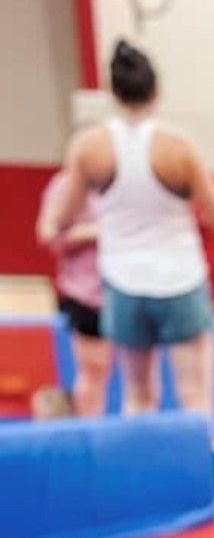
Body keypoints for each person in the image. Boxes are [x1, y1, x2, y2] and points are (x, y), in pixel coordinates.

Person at [38, 40, 214, 418]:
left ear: (113, 91)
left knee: (137, 397)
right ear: (157, 90)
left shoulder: (89, 148)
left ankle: (138, 476)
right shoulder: (178, 148)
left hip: (124, 282)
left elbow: (54, 225)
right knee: (196, 397)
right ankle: (198, 477)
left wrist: (97, 227)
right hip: (179, 279)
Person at [35, 170, 112, 417]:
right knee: (94, 369)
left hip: (128, 288)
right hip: (87, 292)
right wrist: (98, 232)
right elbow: (49, 234)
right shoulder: (68, 185)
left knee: (136, 371)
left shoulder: (128, 182)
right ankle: (87, 431)